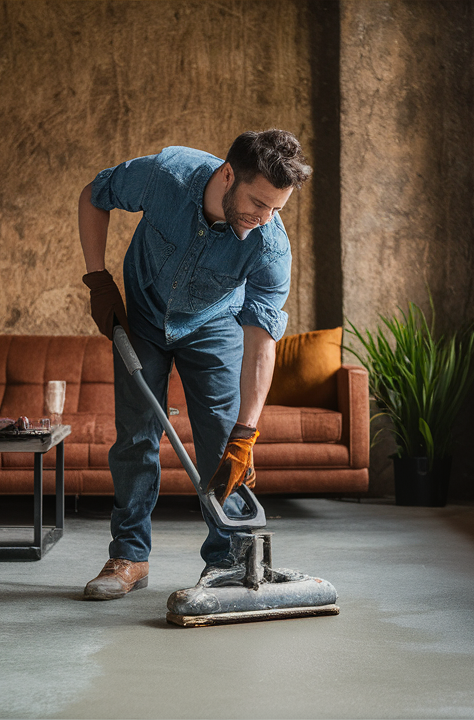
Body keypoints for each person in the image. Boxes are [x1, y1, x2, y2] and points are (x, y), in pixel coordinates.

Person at [77, 129, 312, 600]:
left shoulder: (269, 246)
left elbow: (261, 343)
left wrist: (247, 432)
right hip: (142, 314)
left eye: (276, 209)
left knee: (222, 442)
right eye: (257, 203)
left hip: (213, 323)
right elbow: (94, 193)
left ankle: (226, 562)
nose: (264, 219)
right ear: (228, 175)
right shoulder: (167, 175)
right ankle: (129, 557)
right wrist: (98, 277)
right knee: (136, 434)